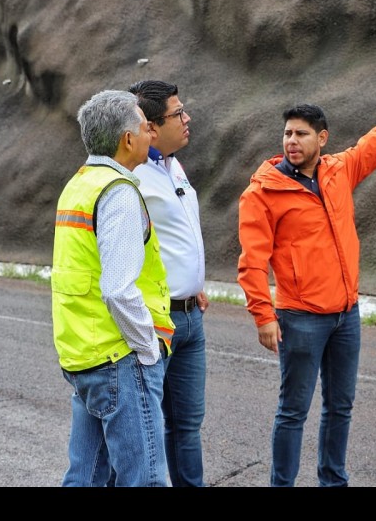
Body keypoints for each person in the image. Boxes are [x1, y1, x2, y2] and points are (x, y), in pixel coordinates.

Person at [237, 68, 376, 487]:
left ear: (322, 138)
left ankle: (333, 481)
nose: (291, 141)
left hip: (346, 315)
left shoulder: (340, 170)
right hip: (300, 317)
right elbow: (252, 261)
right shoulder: (262, 193)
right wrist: (263, 315)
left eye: (301, 134)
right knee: (293, 411)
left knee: (340, 407)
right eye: (287, 133)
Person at [51, 89, 175, 487]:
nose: (151, 132)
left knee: (85, 477)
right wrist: (148, 349)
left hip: (83, 353)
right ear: (127, 139)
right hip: (119, 355)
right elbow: (118, 289)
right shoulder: (118, 192)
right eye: (144, 125)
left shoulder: (79, 184)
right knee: (145, 479)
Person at [129, 80, 209, 487]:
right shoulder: (134, 177)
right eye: (178, 113)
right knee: (146, 426)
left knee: (188, 426)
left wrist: (193, 281)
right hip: (158, 320)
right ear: (152, 128)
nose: (187, 118)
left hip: (192, 316)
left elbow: (175, 237)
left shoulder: (172, 165)